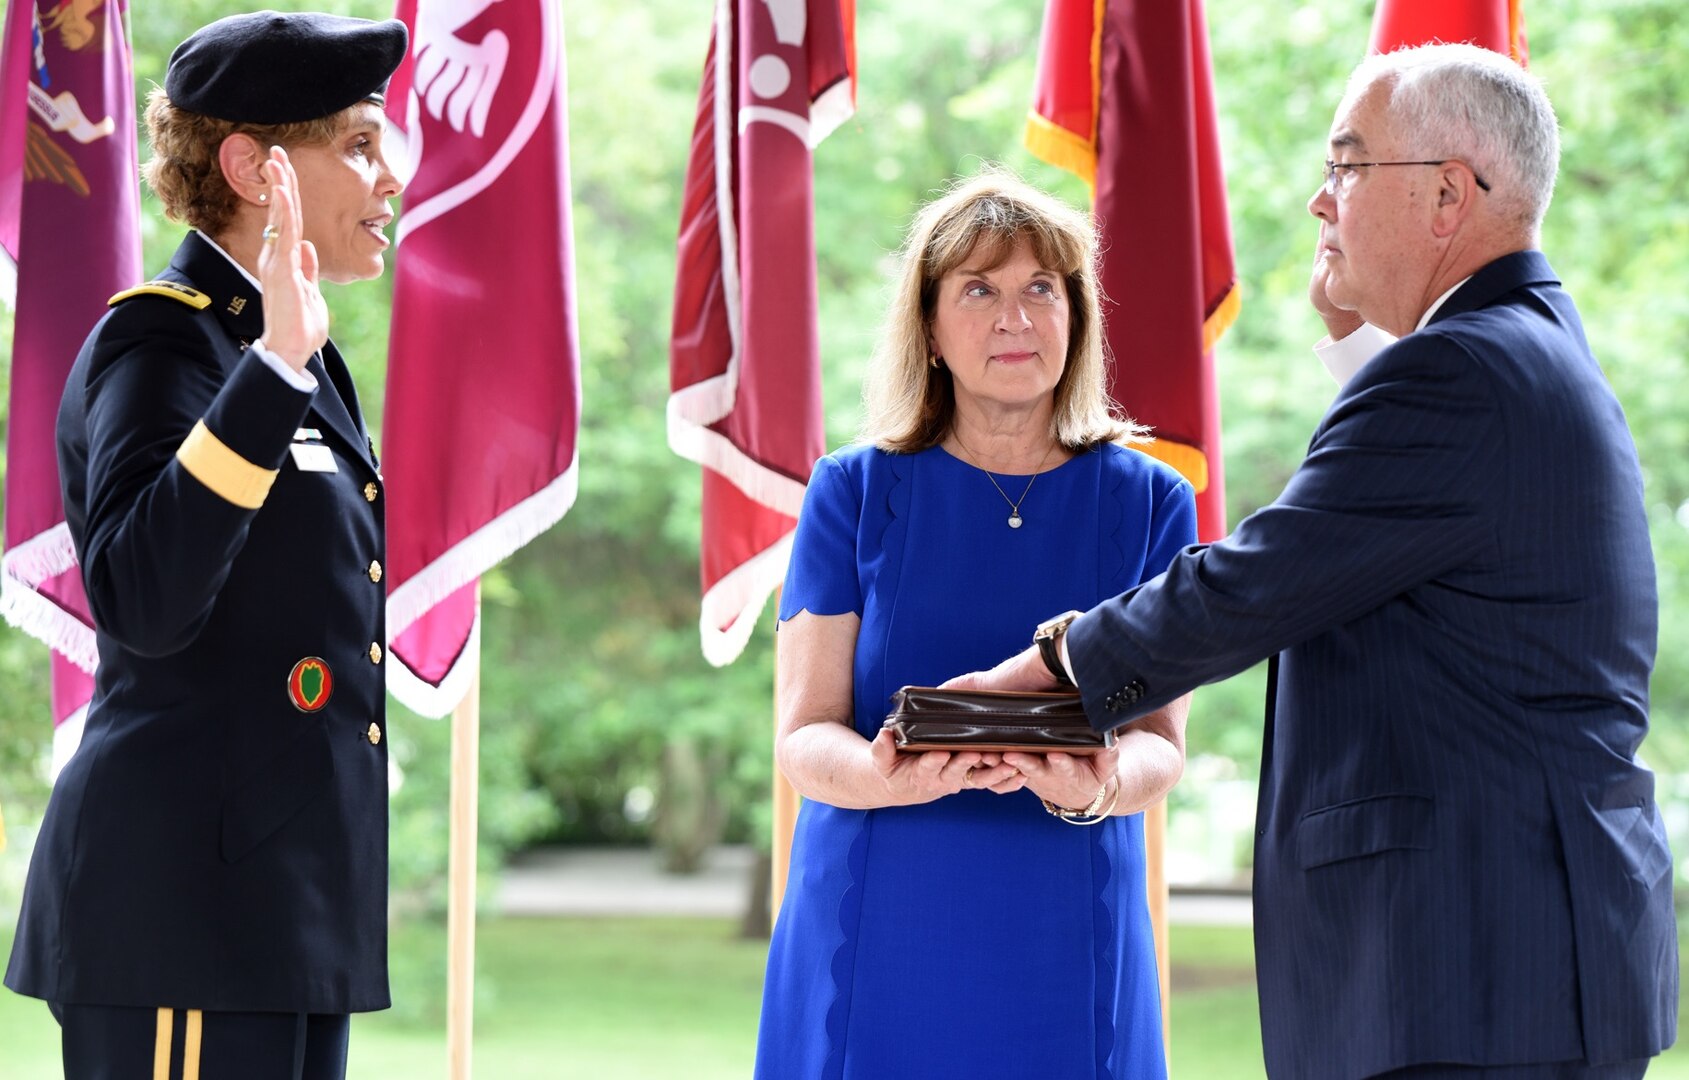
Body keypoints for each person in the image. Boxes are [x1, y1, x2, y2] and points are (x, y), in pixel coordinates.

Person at [949, 43, 1677, 1080]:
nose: (1316, 202)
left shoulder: (1459, 372)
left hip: (1470, 976)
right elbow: (1376, 534)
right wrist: (1355, 345)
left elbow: (1259, 580)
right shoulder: (1523, 348)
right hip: (1522, 960)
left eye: (1345, 166)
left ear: (1445, 196)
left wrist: (1049, 673)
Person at [5, 12, 406, 1078]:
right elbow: (141, 596)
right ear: (250, 165)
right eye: (360, 144)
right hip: (183, 920)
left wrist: (283, 358)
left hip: (278, 914)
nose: (392, 175)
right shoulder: (163, 341)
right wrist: (271, 368)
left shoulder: (299, 351)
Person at [753, 170, 1196, 1079]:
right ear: (929, 327)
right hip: (873, 918)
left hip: (1069, 916)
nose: (1015, 318)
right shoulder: (852, 490)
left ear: (1075, 316)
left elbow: (1160, 742)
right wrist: (888, 778)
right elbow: (801, 736)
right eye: (980, 290)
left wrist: (1100, 787)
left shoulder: (1155, 501)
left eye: (1042, 288)